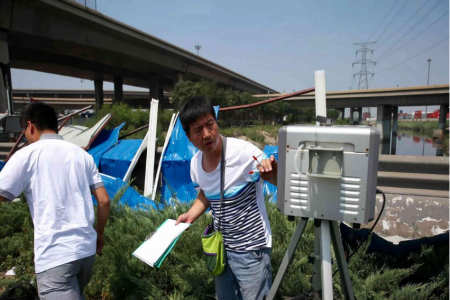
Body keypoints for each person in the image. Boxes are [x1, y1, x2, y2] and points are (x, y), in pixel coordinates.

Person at [0, 102, 110, 300]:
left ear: (30, 126)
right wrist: (99, 233)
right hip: (85, 252)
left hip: (56, 256)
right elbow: (103, 201)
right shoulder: (83, 156)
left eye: (23, 130)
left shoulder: (26, 155)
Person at [176, 96, 277, 300]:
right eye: (198, 130)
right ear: (188, 136)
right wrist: (191, 215)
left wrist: (271, 172)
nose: (206, 134)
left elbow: (272, 173)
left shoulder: (243, 153)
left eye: (210, 124)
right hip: (221, 250)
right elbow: (205, 193)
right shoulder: (195, 165)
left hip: (251, 252)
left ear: (216, 122)